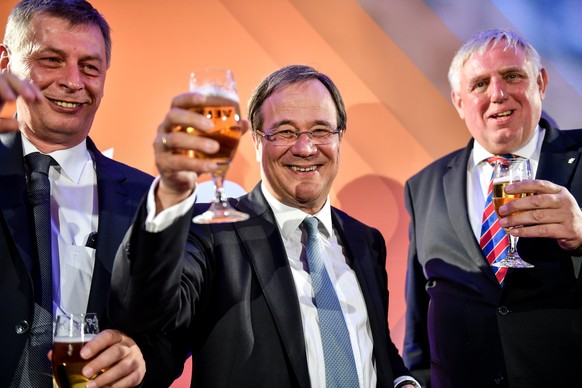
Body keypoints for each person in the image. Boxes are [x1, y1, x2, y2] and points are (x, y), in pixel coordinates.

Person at [108, 64, 420, 388]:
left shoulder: (365, 240)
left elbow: (373, 345)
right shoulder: (211, 232)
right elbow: (147, 314)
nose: (304, 147)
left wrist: (402, 381)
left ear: (340, 137)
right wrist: (170, 194)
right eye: (285, 131)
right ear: (257, 140)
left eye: (321, 131)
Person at [0, 0, 183, 386]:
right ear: (6, 63)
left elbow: (169, 330)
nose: (73, 82)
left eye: (90, 67)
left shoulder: (146, 199)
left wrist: (142, 360)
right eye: (51, 60)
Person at [403, 28, 582, 388]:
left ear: (541, 82)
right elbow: (421, 312)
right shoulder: (423, 186)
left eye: (513, 76)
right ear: (458, 101)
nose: (498, 94)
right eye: (480, 84)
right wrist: (415, 379)